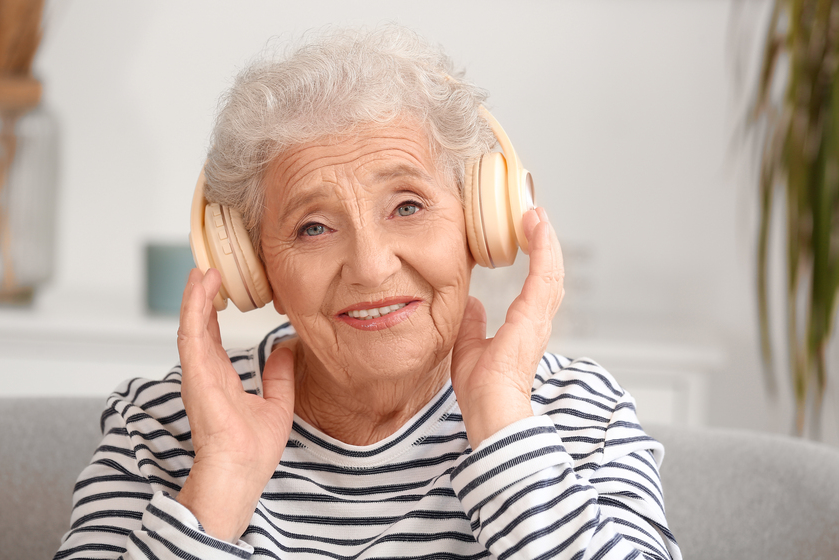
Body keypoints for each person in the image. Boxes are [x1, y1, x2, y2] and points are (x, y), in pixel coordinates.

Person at [55, 26, 682, 560]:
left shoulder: (582, 414)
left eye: (407, 205)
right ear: (253, 266)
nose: (373, 267)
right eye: (314, 227)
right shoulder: (161, 426)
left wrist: (502, 426)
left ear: (479, 224)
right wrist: (219, 485)